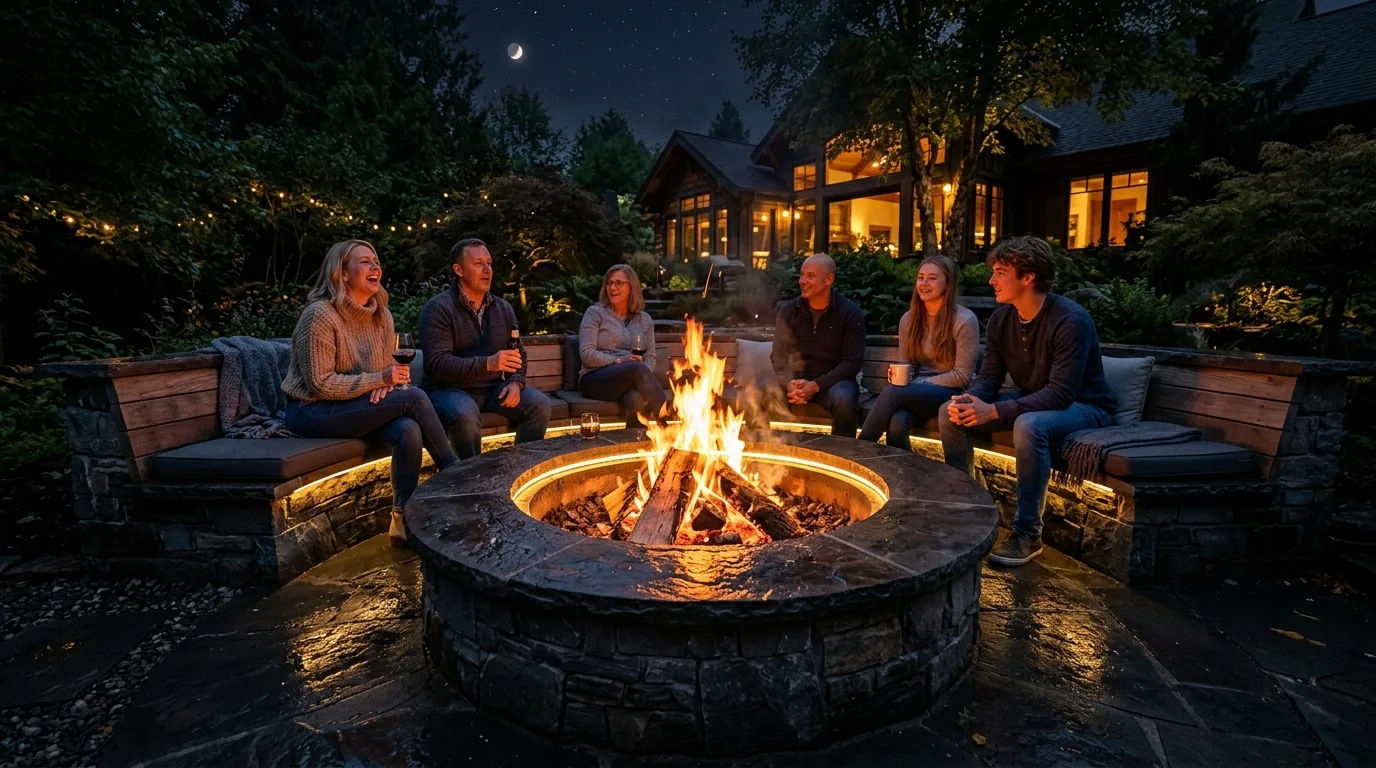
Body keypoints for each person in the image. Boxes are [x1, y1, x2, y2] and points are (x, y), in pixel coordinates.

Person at [940, 236, 1116, 566]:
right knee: (948, 412)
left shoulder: (1069, 321)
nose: (991, 280)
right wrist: (971, 400)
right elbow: (990, 378)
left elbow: (1060, 393)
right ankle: (965, 510)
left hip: (1086, 407)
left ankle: (1027, 533)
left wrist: (992, 410)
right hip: (1035, 398)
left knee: (1029, 424)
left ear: (1028, 277)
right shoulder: (1002, 319)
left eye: (1000, 271)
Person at [282, 239, 459, 548]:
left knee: (408, 428)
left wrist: (383, 385)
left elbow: (382, 374)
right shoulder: (320, 316)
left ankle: (401, 519)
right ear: (343, 274)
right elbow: (319, 384)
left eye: (376, 261)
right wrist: (378, 380)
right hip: (311, 410)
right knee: (414, 397)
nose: (375, 266)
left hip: (355, 405)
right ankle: (457, 474)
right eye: (364, 262)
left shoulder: (381, 316)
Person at [419, 238, 551, 459]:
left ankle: (519, 468)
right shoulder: (438, 309)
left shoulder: (503, 308)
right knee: (464, 412)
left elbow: (518, 354)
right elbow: (437, 365)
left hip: (491, 390)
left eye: (489, 263)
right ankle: (470, 479)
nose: (487, 269)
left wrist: (516, 382)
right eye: (478, 263)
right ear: (458, 270)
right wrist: (488, 363)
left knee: (538, 403)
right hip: (448, 390)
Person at [858, 254, 979, 449]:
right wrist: (900, 375)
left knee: (893, 393)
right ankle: (902, 474)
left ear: (948, 284)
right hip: (915, 392)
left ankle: (859, 449)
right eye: (920, 277)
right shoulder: (908, 320)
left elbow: (962, 376)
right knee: (897, 423)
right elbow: (909, 364)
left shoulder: (964, 320)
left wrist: (914, 385)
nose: (924, 283)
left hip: (952, 393)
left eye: (932, 278)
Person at [769, 253, 866, 437]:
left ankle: (843, 456)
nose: (802, 281)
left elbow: (851, 364)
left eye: (810, 276)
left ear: (829, 279)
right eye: (802, 274)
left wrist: (815, 385)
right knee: (758, 393)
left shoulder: (850, 313)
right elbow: (778, 355)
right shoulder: (789, 310)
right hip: (794, 381)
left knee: (844, 400)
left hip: (834, 383)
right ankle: (758, 452)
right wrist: (788, 383)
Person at [578, 265, 665, 427]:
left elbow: (650, 357)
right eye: (609, 283)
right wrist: (616, 361)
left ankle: (634, 445)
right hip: (595, 378)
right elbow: (587, 354)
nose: (612, 287)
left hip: (631, 380)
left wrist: (641, 377)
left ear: (632, 287)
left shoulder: (644, 319)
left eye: (619, 283)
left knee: (636, 399)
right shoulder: (595, 313)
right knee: (634, 367)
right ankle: (663, 417)